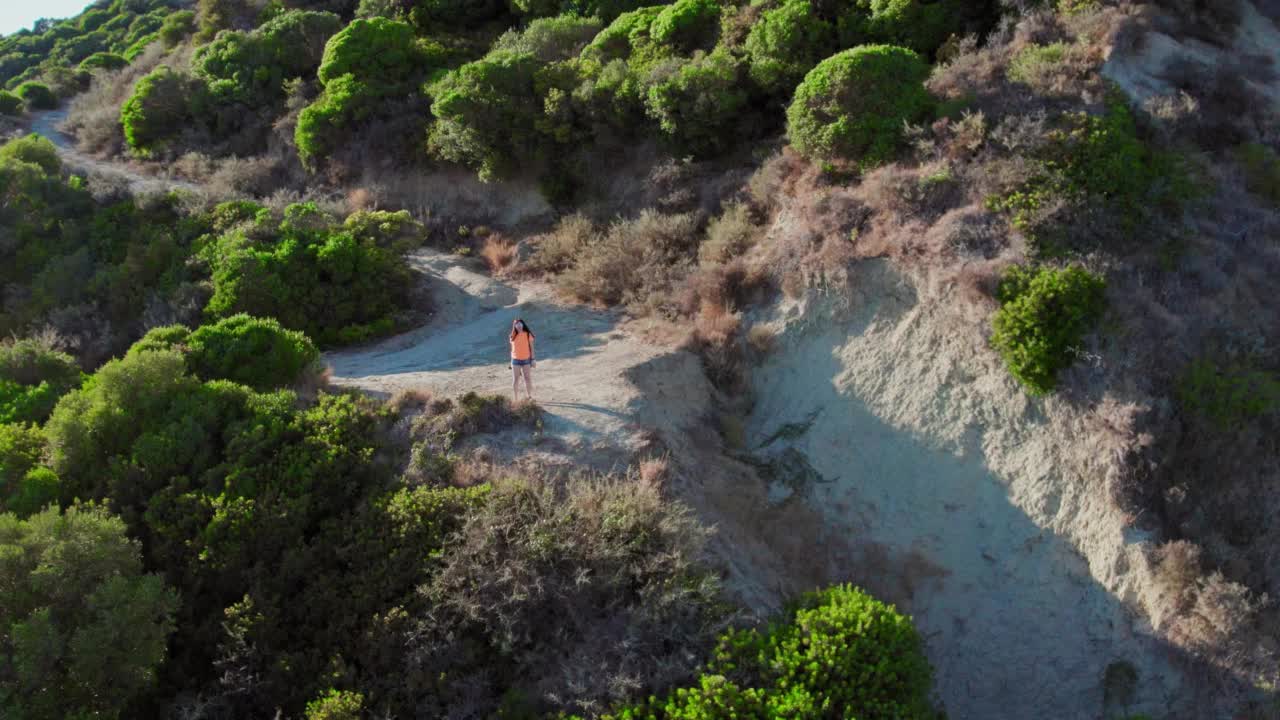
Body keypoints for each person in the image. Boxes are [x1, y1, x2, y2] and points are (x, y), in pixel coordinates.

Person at [509, 317, 535, 401]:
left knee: (527, 378)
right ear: (515, 326)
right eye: (517, 324)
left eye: (520, 324)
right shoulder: (512, 336)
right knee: (515, 379)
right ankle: (515, 398)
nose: (519, 326)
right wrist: (511, 361)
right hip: (515, 360)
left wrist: (533, 359)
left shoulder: (528, 334)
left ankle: (529, 396)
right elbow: (512, 349)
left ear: (523, 325)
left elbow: (532, 347)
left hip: (526, 360)